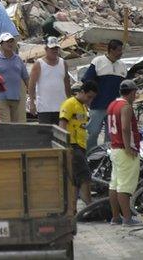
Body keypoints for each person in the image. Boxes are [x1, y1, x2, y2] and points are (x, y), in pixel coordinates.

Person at [59, 81, 99, 209]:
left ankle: (73, 209)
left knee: (75, 180)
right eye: (89, 97)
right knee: (85, 176)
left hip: (80, 146)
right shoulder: (70, 104)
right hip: (72, 145)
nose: (90, 100)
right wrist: (65, 146)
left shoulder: (83, 106)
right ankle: (89, 206)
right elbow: (62, 124)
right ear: (82, 92)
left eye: (92, 98)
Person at [107, 79, 142, 226]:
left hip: (115, 148)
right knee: (124, 186)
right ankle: (127, 218)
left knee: (114, 185)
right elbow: (125, 128)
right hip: (124, 149)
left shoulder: (112, 104)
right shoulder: (126, 106)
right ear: (132, 92)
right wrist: (128, 147)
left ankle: (116, 217)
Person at [82, 40, 126, 150]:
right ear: (111, 50)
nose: (121, 53)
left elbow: (124, 86)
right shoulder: (98, 62)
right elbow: (87, 80)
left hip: (114, 107)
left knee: (111, 135)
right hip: (98, 105)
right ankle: (89, 154)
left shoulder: (122, 65)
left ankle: (106, 155)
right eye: (119, 50)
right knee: (93, 132)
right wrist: (88, 99)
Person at [0, 33, 29, 123]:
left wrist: (31, 94)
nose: (10, 44)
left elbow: (25, 77)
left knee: (16, 124)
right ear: (1, 44)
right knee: (6, 123)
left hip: (16, 97)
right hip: (1, 98)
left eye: (11, 41)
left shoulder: (18, 59)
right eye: (7, 42)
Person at [29, 36, 71, 125]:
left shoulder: (63, 63)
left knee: (60, 131)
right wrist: (32, 103)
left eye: (56, 48)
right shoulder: (39, 64)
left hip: (61, 106)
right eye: (52, 48)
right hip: (44, 108)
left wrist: (70, 100)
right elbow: (31, 85)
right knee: (45, 132)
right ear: (46, 49)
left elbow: (67, 83)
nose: (54, 51)